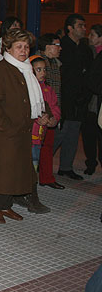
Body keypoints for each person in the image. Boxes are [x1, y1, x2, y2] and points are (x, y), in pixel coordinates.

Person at [0, 29, 49, 223]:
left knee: (16, 172)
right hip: (3, 132)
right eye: (19, 46)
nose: (24, 50)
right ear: (8, 48)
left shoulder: (25, 68)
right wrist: (5, 126)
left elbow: (35, 98)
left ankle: (5, 205)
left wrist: (44, 114)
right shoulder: (1, 70)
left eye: (26, 46)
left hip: (21, 129)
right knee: (3, 171)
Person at [54, 14, 93, 180]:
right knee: (60, 132)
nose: (84, 29)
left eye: (84, 26)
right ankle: (41, 163)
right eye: (80, 26)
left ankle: (66, 167)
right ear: (70, 28)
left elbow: (89, 72)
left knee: (73, 132)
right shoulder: (61, 47)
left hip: (80, 98)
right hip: (64, 97)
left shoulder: (85, 49)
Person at [26, 55, 59, 213]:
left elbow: (54, 107)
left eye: (44, 69)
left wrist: (53, 119)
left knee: (34, 164)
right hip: (27, 135)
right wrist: (37, 119)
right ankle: (28, 194)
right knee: (26, 165)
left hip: (39, 136)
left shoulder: (48, 89)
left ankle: (30, 193)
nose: (42, 72)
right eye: (38, 69)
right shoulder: (26, 88)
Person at [36, 33, 65, 189]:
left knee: (47, 146)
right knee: (34, 148)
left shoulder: (56, 64)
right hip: (38, 114)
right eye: (57, 44)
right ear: (47, 47)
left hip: (52, 110)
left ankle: (46, 177)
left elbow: (56, 93)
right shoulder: (37, 62)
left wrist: (55, 114)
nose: (60, 48)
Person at [83, 24, 102, 175]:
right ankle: (90, 162)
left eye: (93, 35)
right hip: (89, 101)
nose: (89, 37)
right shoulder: (87, 52)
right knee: (89, 134)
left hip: (98, 101)